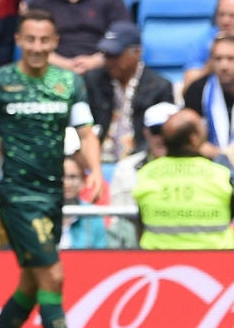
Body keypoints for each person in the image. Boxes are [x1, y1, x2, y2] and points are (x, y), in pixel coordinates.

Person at [0, 8, 103, 328]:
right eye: (30, 39)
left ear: (55, 42)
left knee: (32, 284)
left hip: (53, 195)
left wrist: (95, 172)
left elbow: (86, 132)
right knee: (53, 276)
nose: (36, 46)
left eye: (44, 40)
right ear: (18, 40)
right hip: (18, 196)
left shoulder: (68, 82)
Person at [133, 108, 234, 249]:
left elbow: (140, 224)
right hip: (216, 264)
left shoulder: (145, 175)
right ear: (194, 139)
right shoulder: (221, 175)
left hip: (158, 263)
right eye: (201, 126)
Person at [84, 20, 175, 163]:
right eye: (106, 54)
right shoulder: (94, 80)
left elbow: (161, 136)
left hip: (141, 160)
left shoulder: (159, 87)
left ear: (136, 53)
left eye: (115, 55)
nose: (108, 61)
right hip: (97, 157)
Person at [107, 101, 178, 249]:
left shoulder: (200, 168)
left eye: (169, 133)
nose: (162, 138)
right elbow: (117, 221)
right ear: (146, 133)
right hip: (136, 248)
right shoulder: (126, 169)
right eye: (156, 131)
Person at [182, 34, 234, 167]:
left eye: (230, 59)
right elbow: (189, 137)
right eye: (218, 59)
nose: (224, 65)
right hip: (207, 165)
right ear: (210, 61)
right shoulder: (197, 90)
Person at [184, 0, 234, 90]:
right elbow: (187, 88)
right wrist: (213, 62)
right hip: (213, 96)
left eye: (232, 15)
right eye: (221, 14)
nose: (225, 21)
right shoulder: (205, 41)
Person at [60, 153, 108, 249]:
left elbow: (101, 254)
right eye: (61, 176)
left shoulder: (93, 215)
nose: (67, 183)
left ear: (83, 179)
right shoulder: (42, 211)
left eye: (73, 177)